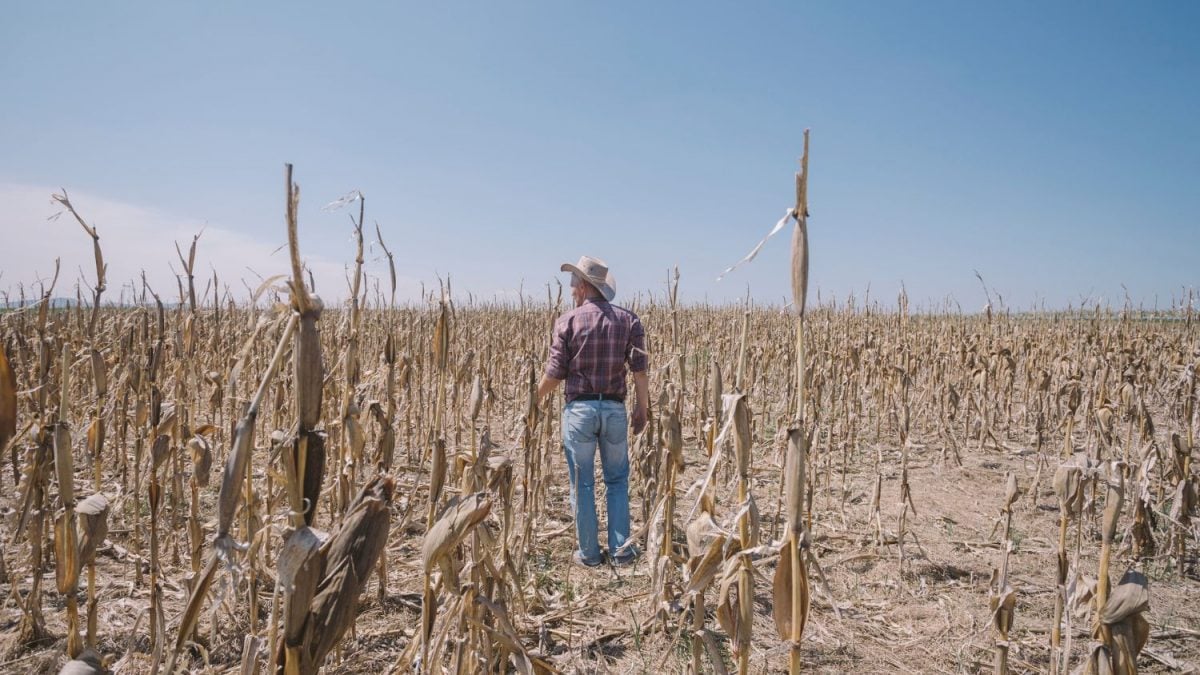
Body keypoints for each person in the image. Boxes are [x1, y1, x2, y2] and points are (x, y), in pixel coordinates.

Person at [536, 255, 649, 568]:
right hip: (614, 410)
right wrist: (643, 407)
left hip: (580, 412)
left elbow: (556, 373)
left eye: (574, 284)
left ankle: (588, 555)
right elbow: (640, 370)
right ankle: (622, 551)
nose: (572, 291)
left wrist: (534, 399)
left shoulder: (567, 322)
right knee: (617, 481)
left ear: (585, 286)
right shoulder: (629, 321)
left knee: (582, 483)